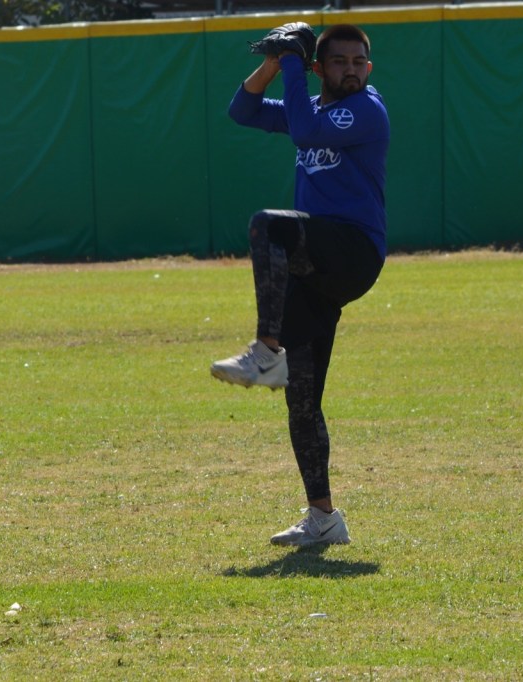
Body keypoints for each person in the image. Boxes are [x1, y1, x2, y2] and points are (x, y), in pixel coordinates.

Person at [210, 25, 389, 546]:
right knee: (302, 401)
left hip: (354, 250)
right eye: (338, 62)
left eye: (359, 62)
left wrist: (292, 61)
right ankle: (325, 518)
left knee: (270, 224)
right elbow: (241, 111)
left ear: (369, 71)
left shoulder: (368, 108)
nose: (350, 69)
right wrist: (274, 62)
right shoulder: (311, 106)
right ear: (320, 68)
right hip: (317, 270)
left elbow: (307, 132)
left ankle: (266, 349)